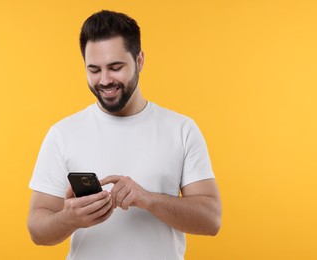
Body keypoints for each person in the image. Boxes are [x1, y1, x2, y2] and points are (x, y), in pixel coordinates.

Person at [27, 10, 222, 260]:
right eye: (94, 69)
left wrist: (148, 199)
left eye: (115, 67)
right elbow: (37, 230)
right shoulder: (62, 134)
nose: (105, 80)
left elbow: (211, 220)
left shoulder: (181, 129)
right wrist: (69, 218)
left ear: (139, 60)